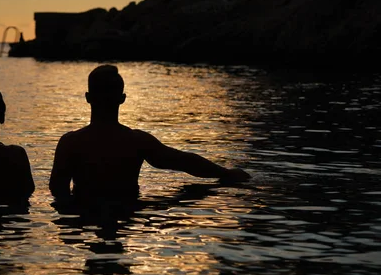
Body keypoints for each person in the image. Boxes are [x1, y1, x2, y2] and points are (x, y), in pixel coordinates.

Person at [49, 64, 250, 199]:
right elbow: (184, 161)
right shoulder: (137, 141)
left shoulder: (71, 142)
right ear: (123, 98)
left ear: (87, 97)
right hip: (127, 213)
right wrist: (227, 173)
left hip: (84, 213)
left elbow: (58, 191)